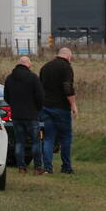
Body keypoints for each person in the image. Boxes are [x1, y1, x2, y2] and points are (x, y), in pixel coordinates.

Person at [3, 55, 45, 174]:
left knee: (19, 142)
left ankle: (21, 167)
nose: (31, 66)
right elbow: (40, 96)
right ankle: (37, 168)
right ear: (27, 64)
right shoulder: (33, 78)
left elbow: (6, 97)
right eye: (30, 64)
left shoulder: (9, 78)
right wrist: (37, 108)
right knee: (36, 142)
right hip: (31, 115)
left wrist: (14, 106)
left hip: (16, 116)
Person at [39, 46, 77, 174]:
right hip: (61, 108)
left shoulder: (45, 67)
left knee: (48, 138)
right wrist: (73, 104)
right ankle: (66, 167)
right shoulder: (66, 68)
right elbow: (67, 87)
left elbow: (40, 87)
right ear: (68, 56)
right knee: (66, 137)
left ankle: (47, 167)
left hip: (46, 107)